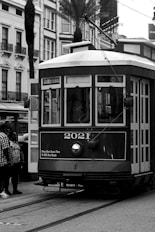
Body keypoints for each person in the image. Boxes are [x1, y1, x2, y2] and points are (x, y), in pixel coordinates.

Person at [0, 123, 11, 199]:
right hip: (2, 161)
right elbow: (5, 150)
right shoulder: (4, 136)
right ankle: (4, 191)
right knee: (5, 177)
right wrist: (9, 160)